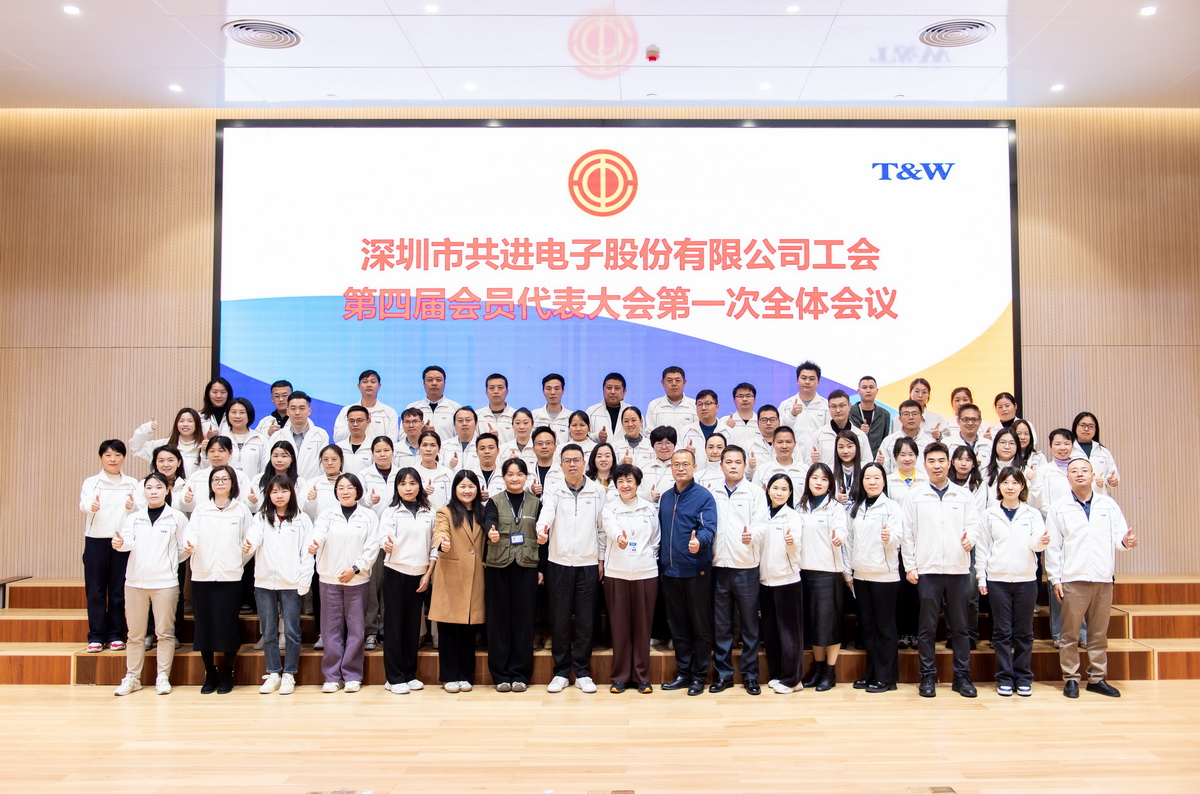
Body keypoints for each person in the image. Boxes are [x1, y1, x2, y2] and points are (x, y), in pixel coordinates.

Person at [1047, 458, 1138, 699]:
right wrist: (1055, 579)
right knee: (1070, 634)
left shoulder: (1108, 504)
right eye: (1074, 471)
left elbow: (1120, 536)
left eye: (1084, 470)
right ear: (1067, 477)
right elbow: (1053, 547)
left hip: (1102, 577)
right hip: (1073, 578)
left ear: (1092, 475)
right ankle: (1071, 678)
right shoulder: (1059, 507)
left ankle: (1097, 678)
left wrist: (1125, 542)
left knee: (1098, 633)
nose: (1079, 474)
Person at [902, 442, 982, 698]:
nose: (937, 466)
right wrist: (910, 566)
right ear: (924, 465)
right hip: (927, 569)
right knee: (926, 628)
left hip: (958, 570)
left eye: (941, 461)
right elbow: (907, 534)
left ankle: (962, 677)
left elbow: (974, 525)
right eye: (931, 461)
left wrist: (971, 537)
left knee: (960, 627)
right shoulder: (915, 495)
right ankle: (927, 676)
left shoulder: (963, 495)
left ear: (949, 463)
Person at [535, 443, 606, 693]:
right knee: (560, 619)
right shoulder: (554, 490)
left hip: (588, 562)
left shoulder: (598, 491)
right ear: (561, 465)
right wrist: (541, 530)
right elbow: (546, 515)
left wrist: (601, 559)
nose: (572, 464)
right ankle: (561, 672)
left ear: (584, 463)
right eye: (567, 461)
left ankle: (583, 672)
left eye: (576, 460)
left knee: (586, 620)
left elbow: (601, 528)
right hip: (559, 562)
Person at [112, 472, 188, 696]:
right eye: (149, 488)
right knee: (135, 635)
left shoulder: (177, 518)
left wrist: (168, 563)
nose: (153, 491)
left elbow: (184, 549)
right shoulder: (134, 518)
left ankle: (162, 676)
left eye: (158, 487)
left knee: (165, 633)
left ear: (167, 490)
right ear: (143, 491)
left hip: (165, 584)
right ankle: (132, 678)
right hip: (135, 583)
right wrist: (119, 543)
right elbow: (126, 542)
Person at [977, 467, 1047, 697]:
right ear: (999, 486)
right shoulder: (989, 514)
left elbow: (1036, 545)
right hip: (997, 580)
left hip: (1026, 580)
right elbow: (983, 548)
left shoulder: (1032, 514)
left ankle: (1023, 677)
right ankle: (1005, 677)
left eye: (1015, 483)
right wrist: (981, 577)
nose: (1010, 487)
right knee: (1001, 632)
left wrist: (1042, 541)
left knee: (1025, 632)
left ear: (1022, 486)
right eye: (1005, 482)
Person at [308, 472, 380, 693]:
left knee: (356, 630)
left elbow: (372, 546)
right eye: (341, 488)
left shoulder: (368, 516)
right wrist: (314, 543)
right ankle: (331, 676)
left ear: (358, 491)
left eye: (350, 487)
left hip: (357, 580)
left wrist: (355, 568)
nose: (345, 491)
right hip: (329, 579)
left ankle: (352, 675)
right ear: (335, 491)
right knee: (330, 630)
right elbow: (318, 534)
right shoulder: (326, 515)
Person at [184, 465, 253, 694]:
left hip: (230, 577)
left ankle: (227, 672)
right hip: (202, 576)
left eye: (225, 479)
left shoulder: (241, 510)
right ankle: (209, 673)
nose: (220, 483)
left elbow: (250, 540)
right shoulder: (201, 509)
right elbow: (191, 534)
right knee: (204, 626)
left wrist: (237, 561)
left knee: (227, 625)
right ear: (210, 484)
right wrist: (190, 544)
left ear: (232, 483)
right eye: (216, 479)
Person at [245, 474, 314, 695]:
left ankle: (289, 674)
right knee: (269, 631)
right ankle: (273, 672)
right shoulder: (261, 517)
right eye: (274, 491)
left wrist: (304, 581)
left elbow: (307, 554)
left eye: (284, 491)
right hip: (264, 582)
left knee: (292, 631)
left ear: (291, 493)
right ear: (268, 494)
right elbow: (254, 537)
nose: (279, 495)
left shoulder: (302, 519)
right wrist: (248, 544)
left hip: (291, 582)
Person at [658, 449, 718, 696]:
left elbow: (709, 528)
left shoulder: (704, 496)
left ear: (694, 467)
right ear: (671, 468)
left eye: (685, 464)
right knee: (678, 626)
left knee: (700, 627)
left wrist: (699, 542)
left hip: (696, 571)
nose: (680, 468)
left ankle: (699, 676)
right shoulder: (665, 497)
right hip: (671, 573)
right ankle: (683, 673)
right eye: (676, 464)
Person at [709, 445, 767, 695]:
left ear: (745, 465)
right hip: (718, 567)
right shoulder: (711, 491)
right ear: (721, 465)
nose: (733, 466)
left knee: (749, 625)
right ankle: (723, 675)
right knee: (721, 625)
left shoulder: (754, 492)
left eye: (737, 462)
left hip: (746, 567)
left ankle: (750, 676)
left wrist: (752, 534)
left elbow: (763, 524)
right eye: (728, 462)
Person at [482, 459, 542, 693]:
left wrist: (541, 569)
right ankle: (500, 675)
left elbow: (544, 536)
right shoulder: (494, 501)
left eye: (519, 474)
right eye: (510, 474)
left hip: (527, 565)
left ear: (526, 477)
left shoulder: (536, 503)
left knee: (523, 621)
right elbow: (489, 520)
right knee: (498, 621)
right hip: (498, 566)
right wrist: (491, 530)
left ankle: (520, 675)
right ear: (503, 477)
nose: (514, 478)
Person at [843, 463, 903, 693]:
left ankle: (887, 677)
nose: (872, 482)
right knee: (867, 627)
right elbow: (849, 541)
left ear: (884, 481)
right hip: (861, 575)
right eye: (868, 477)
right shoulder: (856, 508)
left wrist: (889, 537)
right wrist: (848, 572)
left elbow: (899, 535)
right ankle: (873, 672)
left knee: (885, 628)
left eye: (877, 477)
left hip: (884, 575)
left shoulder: (892, 507)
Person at [602, 463, 661, 694]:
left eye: (629, 481)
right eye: (620, 481)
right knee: (620, 628)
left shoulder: (649, 508)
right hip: (617, 572)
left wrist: (646, 558)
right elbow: (610, 527)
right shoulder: (610, 508)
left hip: (646, 573)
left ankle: (641, 677)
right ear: (615, 485)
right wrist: (620, 538)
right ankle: (620, 677)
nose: (625, 485)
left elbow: (655, 540)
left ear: (637, 483)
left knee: (643, 628)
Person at [377, 467, 436, 695]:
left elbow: (434, 545)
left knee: (413, 627)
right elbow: (384, 536)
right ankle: (394, 677)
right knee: (394, 626)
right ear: (397, 487)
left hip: (420, 574)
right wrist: (386, 543)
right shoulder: (391, 512)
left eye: (412, 483)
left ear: (419, 486)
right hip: (395, 571)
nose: (408, 488)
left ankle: (409, 674)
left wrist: (428, 574)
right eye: (403, 484)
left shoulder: (429, 512)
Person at [81, 440, 143, 653]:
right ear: (101, 458)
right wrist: (92, 506)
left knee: (118, 590)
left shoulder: (132, 483)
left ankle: (116, 634)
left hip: (122, 542)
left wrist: (133, 506)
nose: (113, 459)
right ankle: (96, 636)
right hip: (96, 540)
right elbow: (84, 503)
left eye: (117, 455)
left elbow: (140, 510)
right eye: (108, 455)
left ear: (123, 458)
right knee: (96, 590)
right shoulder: (92, 482)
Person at [430, 470, 487, 693]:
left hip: (475, 577)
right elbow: (440, 532)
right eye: (462, 486)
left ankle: (465, 675)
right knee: (448, 632)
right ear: (455, 489)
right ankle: (448, 676)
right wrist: (442, 543)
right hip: (451, 578)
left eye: (471, 486)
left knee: (468, 632)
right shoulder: (445, 511)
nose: (467, 490)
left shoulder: (482, 512)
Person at [797, 462, 848, 692]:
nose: (819, 482)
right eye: (815, 478)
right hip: (804, 571)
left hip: (829, 572)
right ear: (808, 480)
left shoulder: (835, 507)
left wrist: (839, 537)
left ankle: (830, 671)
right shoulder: (800, 506)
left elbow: (842, 530)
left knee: (830, 624)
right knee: (814, 623)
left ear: (830, 484)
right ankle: (818, 669)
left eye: (824, 479)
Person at [758, 473, 805, 694]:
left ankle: (793, 680)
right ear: (768, 490)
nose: (779, 493)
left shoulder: (793, 517)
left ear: (790, 493)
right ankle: (778, 674)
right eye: (775, 488)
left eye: (784, 489)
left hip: (787, 580)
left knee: (789, 633)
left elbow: (796, 546)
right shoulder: (762, 514)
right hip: (765, 580)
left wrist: (791, 542)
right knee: (771, 632)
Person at [129, 408, 204, 476]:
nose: (185, 424)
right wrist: (146, 429)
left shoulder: (203, 447)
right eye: (181, 421)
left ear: (197, 424)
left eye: (190, 421)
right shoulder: (164, 444)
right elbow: (136, 447)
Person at [333, 369, 398, 444]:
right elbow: (337, 439)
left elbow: (392, 442)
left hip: (379, 451)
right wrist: (354, 423)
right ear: (359, 386)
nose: (369, 385)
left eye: (373, 382)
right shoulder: (346, 411)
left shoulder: (389, 412)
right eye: (365, 382)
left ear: (379, 386)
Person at [812, 390, 871, 469]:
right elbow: (810, 465)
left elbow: (867, 463)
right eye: (833, 406)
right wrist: (813, 462)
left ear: (849, 406)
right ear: (829, 408)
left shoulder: (860, 435)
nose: (838, 410)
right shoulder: (819, 435)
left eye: (842, 406)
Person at [1071, 412, 1121, 496]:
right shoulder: (1069, 450)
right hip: (1074, 497)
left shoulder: (1103, 451)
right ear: (1075, 427)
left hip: (1099, 496)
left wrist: (1112, 480)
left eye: (1091, 426)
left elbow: (1113, 475)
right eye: (1082, 425)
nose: (1086, 429)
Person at [283, 391, 329, 482]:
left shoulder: (321, 435)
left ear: (309, 411)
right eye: (293, 408)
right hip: (284, 486)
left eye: (302, 408)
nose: (297, 412)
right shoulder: (277, 436)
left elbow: (323, 464)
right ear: (287, 411)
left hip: (312, 486)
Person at [879, 400, 935, 474]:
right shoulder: (888, 442)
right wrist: (881, 464)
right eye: (906, 414)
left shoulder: (930, 443)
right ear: (900, 418)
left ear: (921, 418)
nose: (911, 417)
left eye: (915, 414)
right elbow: (883, 471)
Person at [407, 365, 460, 441]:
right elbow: (403, 437)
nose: (434, 383)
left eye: (438, 380)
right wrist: (420, 433)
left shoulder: (455, 408)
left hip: (447, 448)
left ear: (444, 383)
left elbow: (461, 436)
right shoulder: (412, 408)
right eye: (430, 380)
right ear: (423, 384)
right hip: (420, 449)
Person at [753, 425, 808, 494]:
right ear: (773, 444)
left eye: (788, 442)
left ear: (794, 444)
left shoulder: (805, 470)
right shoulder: (762, 470)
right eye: (780, 442)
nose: (784, 446)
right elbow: (755, 496)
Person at [646, 366, 698, 439]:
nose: (674, 384)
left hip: (687, 446)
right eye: (669, 380)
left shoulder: (695, 405)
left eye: (677, 380)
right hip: (662, 446)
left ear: (684, 382)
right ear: (663, 383)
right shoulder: (654, 405)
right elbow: (649, 433)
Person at [849, 375, 890, 459]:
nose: (868, 391)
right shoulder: (849, 412)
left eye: (871, 387)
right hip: (854, 459)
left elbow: (885, 440)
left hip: (877, 460)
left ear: (877, 391)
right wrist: (859, 433)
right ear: (858, 391)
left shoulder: (884, 414)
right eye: (864, 387)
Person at [225, 397, 267, 478]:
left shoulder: (260, 439)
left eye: (242, 412)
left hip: (253, 485)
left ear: (249, 415)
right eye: (233, 412)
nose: (237, 416)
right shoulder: (221, 439)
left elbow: (265, 468)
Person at [585, 372, 631, 443]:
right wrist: (597, 436)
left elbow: (641, 436)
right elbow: (583, 437)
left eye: (617, 388)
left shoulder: (632, 412)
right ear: (603, 389)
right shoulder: (591, 412)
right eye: (609, 388)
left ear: (624, 391)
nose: (612, 392)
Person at [638, 426, 678, 503]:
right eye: (659, 443)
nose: (664, 447)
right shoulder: (642, 466)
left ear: (674, 445)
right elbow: (633, 491)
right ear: (652, 446)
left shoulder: (680, 467)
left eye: (668, 443)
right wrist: (647, 496)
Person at [416, 430, 454, 509]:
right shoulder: (413, 473)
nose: (428, 449)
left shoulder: (448, 474)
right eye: (424, 445)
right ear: (419, 448)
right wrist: (423, 494)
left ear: (439, 449)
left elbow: (452, 499)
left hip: (443, 515)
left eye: (433, 445)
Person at [335, 405, 376, 476]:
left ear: (368, 421)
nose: (355, 424)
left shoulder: (374, 446)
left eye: (359, 420)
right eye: (351, 421)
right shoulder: (339, 447)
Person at [720, 382, 760, 451]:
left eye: (748, 396)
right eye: (740, 396)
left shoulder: (761, 422)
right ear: (734, 400)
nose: (745, 399)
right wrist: (727, 429)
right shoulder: (724, 421)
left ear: (755, 399)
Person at [532, 373, 571, 444]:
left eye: (557, 388)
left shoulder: (571, 416)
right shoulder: (534, 415)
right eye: (548, 389)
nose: (553, 392)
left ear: (563, 391)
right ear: (543, 391)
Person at [476, 373, 516, 443]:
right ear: (486, 392)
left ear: (507, 392)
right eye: (491, 388)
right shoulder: (477, 416)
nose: (496, 391)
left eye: (500, 388)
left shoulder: (515, 416)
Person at [526, 426, 563, 498]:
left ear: (555, 447)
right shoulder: (526, 471)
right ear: (533, 448)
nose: (544, 446)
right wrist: (530, 489)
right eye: (540, 443)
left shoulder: (562, 471)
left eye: (548, 443)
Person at [832, 431, 863, 507]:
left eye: (849, 446)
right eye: (841, 447)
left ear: (857, 447)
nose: (845, 451)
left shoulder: (865, 469)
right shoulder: (830, 470)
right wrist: (835, 498)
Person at [445, 406, 480, 473]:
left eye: (468, 420)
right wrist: (450, 466)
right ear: (454, 424)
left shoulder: (482, 446)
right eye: (460, 421)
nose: (464, 424)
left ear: (476, 423)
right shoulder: (444, 446)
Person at [471, 432, 503, 502]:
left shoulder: (505, 475)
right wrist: (475, 498)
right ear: (476, 452)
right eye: (482, 448)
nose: (487, 451)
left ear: (498, 451)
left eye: (491, 448)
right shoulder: (470, 476)